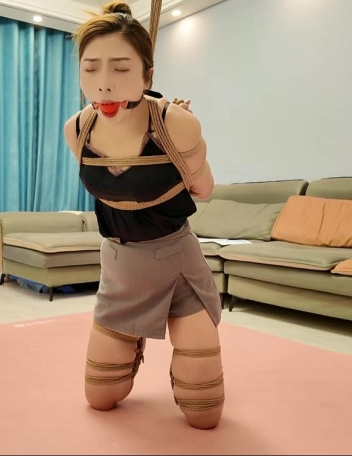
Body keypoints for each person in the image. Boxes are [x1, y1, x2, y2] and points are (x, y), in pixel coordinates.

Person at [63, 1, 225, 430]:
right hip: (119, 269)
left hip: (175, 264)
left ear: (147, 77)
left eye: (120, 69)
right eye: (90, 69)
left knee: (204, 415)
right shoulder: (77, 129)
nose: (104, 85)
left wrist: (186, 144)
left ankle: (185, 354)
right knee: (100, 399)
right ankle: (132, 342)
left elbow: (204, 190)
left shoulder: (176, 124)